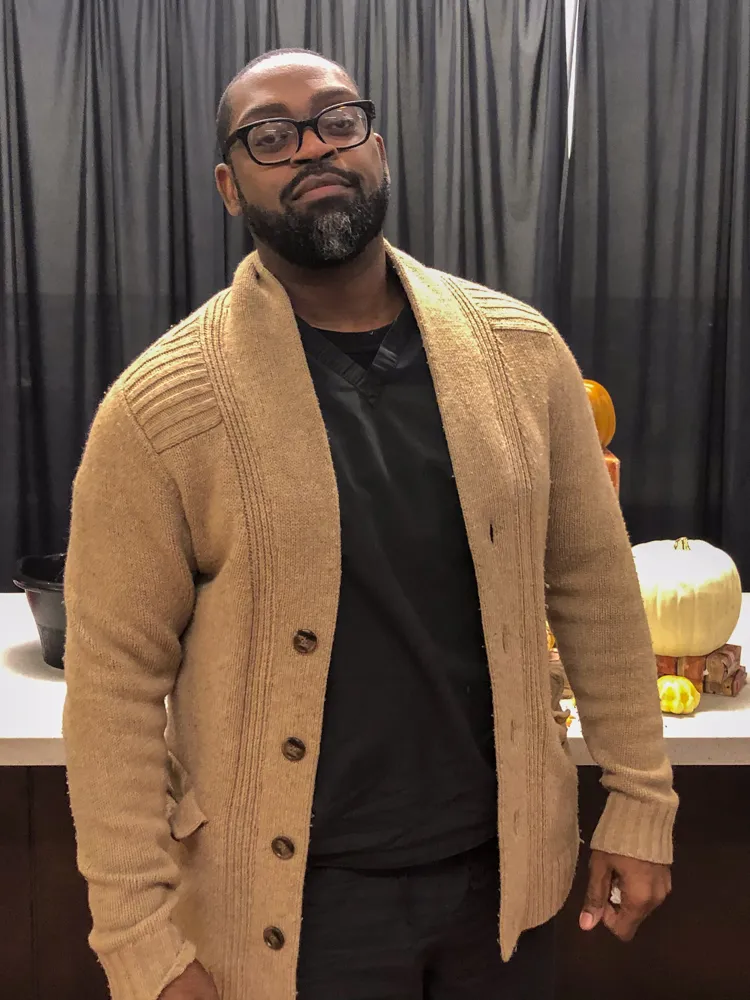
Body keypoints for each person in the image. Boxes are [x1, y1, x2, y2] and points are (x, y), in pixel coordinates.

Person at [63, 49, 676, 1000]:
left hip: (507, 888)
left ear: (377, 151)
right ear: (229, 186)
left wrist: (639, 798)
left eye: (337, 121)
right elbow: (114, 684)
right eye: (272, 136)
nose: (313, 148)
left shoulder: (521, 354)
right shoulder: (161, 408)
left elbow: (594, 584)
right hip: (290, 911)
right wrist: (139, 940)